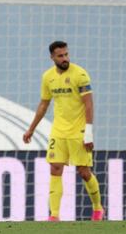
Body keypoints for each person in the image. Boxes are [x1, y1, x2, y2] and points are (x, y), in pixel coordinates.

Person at [23, 41, 104, 221]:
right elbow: (44, 104)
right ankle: (54, 215)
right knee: (55, 168)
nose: (65, 58)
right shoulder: (48, 77)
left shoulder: (80, 74)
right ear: (52, 57)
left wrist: (88, 132)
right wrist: (31, 129)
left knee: (83, 171)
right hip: (58, 131)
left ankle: (98, 207)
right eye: (60, 56)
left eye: (66, 54)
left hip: (78, 131)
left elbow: (88, 104)